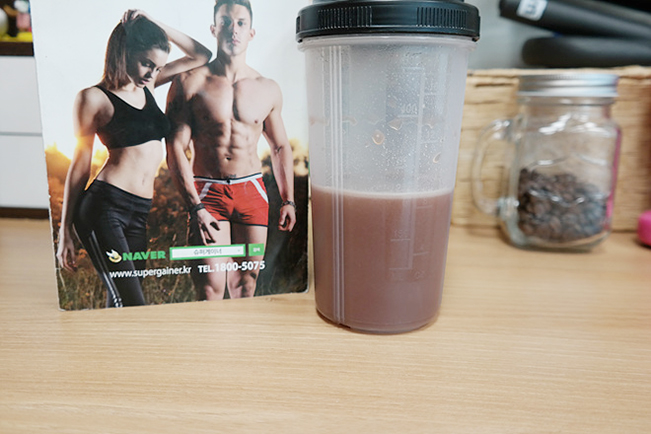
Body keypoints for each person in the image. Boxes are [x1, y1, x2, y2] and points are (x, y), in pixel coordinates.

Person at [56, 10, 212, 308]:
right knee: (132, 302)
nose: (152, 73)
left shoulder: (148, 86)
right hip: (104, 208)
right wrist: (65, 230)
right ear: (124, 51)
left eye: (159, 67)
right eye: (147, 63)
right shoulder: (92, 98)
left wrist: (155, 23)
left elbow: (202, 55)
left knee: (121, 302)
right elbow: (80, 165)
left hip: (139, 212)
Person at [166, 0, 296, 301]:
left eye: (240, 23)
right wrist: (194, 205)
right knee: (209, 287)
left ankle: (242, 332)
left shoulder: (268, 88)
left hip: (251, 191)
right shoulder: (189, 82)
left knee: (246, 285)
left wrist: (288, 199)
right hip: (207, 192)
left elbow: (279, 146)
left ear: (251, 32)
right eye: (225, 22)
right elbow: (175, 147)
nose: (233, 29)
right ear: (214, 29)